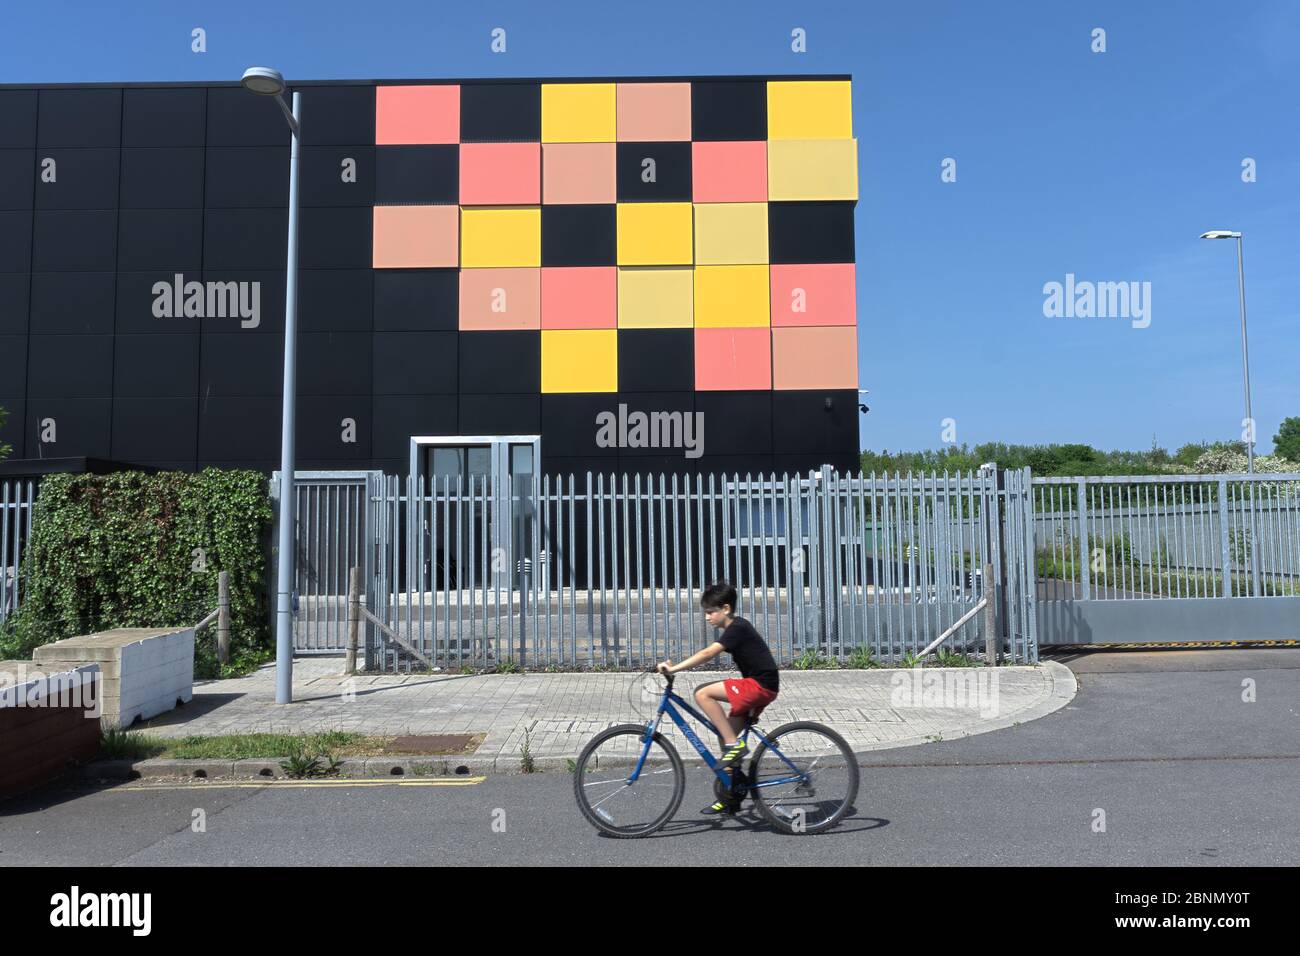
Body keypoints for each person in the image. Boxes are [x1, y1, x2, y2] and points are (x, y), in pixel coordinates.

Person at [657, 581, 779, 815]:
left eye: (711, 612)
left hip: (760, 686)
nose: (707, 617)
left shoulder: (737, 628)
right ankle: (731, 796)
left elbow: (707, 653)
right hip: (761, 687)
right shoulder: (735, 628)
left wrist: (674, 669)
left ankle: (735, 745)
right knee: (725, 738)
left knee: (702, 693)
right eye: (706, 613)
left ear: (726, 608)